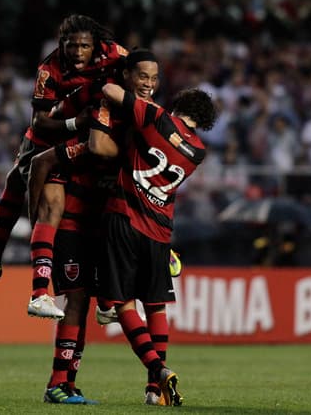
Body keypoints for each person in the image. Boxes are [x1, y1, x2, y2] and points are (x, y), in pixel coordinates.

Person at [0, 15, 126, 321]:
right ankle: (38, 292)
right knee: (50, 206)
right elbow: (39, 122)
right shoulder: (49, 70)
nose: (76, 52)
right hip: (49, 141)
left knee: (109, 198)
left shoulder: (113, 53)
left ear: (96, 46)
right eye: (70, 45)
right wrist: (78, 122)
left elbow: (141, 67)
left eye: (83, 46)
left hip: (86, 141)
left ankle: (119, 287)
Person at [29, 48, 160, 405]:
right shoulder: (108, 108)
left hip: (109, 224)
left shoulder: (146, 118)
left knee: (100, 301)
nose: (148, 85)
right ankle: (58, 383)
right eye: (141, 77)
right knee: (76, 300)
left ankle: (68, 382)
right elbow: (95, 146)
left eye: (153, 79)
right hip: (75, 220)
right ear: (127, 77)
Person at [89, 83, 217, 406]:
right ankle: (153, 392)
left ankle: (158, 370)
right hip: (160, 234)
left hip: (126, 219)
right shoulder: (199, 152)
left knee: (124, 305)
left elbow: (110, 91)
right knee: (156, 305)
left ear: (180, 101)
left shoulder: (156, 117)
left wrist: (133, 94)